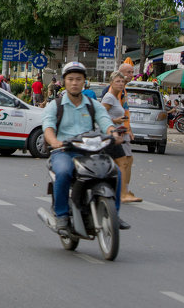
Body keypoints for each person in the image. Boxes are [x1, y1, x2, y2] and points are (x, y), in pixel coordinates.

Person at [42, 61, 127, 236]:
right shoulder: (55, 105)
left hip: (90, 151)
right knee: (64, 173)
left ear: (84, 82)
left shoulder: (92, 104)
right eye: (71, 79)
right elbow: (48, 127)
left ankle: (114, 214)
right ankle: (62, 216)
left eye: (78, 79)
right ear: (64, 82)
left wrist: (113, 133)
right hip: (64, 151)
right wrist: (55, 142)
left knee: (115, 172)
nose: (74, 83)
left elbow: (106, 122)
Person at [101, 71, 141, 203]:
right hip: (114, 134)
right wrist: (116, 120)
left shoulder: (117, 96)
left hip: (121, 133)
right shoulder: (109, 97)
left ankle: (123, 190)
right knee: (124, 162)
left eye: (122, 81)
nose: (120, 84)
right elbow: (101, 115)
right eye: (117, 81)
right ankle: (123, 192)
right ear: (111, 83)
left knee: (126, 162)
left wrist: (127, 127)